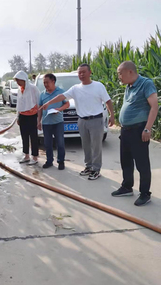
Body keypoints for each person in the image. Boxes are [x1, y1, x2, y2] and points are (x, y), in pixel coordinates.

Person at [39, 64, 115, 180]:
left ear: (90, 72)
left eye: (84, 72)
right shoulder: (75, 88)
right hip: (82, 121)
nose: (81, 75)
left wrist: (112, 115)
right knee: (86, 146)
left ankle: (96, 169)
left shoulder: (98, 86)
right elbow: (61, 96)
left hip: (96, 120)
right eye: (79, 73)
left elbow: (108, 101)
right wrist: (48, 103)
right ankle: (88, 166)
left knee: (96, 146)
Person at [111, 61, 158, 206]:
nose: (119, 76)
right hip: (126, 130)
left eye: (120, 73)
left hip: (139, 130)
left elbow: (154, 107)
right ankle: (126, 187)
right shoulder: (129, 86)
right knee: (126, 160)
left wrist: (147, 129)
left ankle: (145, 194)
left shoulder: (146, 84)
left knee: (142, 163)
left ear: (130, 72)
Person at [38, 73, 70, 170]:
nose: (45, 85)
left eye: (47, 82)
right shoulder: (42, 94)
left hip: (58, 122)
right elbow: (40, 109)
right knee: (47, 144)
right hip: (46, 123)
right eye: (44, 83)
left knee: (60, 143)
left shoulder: (60, 92)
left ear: (53, 81)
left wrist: (59, 109)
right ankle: (49, 161)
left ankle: (61, 161)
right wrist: (38, 121)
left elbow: (67, 104)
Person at [15, 70, 40, 165]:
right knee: (24, 136)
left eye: (19, 80)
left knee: (33, 137)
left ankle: (35, 157)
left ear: (24, 79)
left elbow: (38, 101)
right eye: (16, 80)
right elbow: (19, 103)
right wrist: (18, 116)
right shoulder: (19, 89)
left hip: (32, 116)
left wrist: (39, 117)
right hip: (23, 116)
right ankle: (26, 156)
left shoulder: (33, 88)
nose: (17, 82)